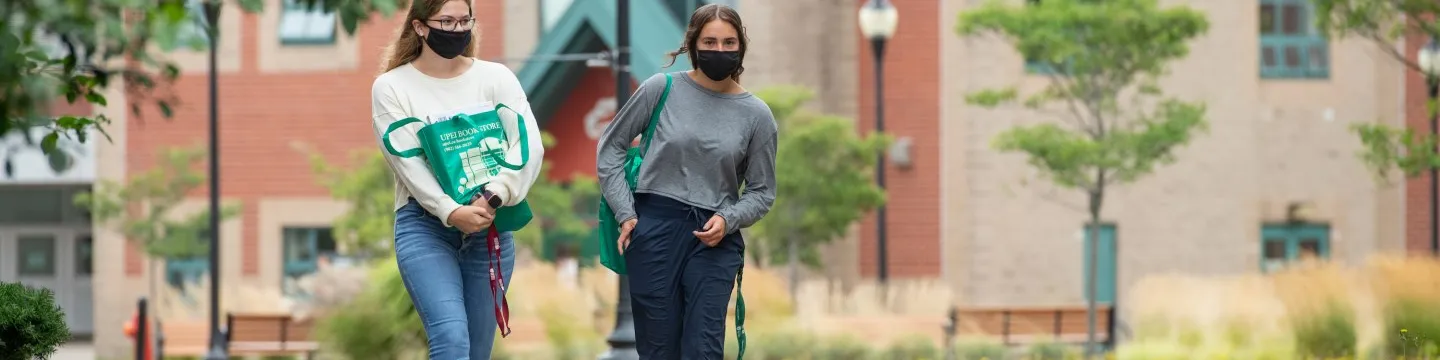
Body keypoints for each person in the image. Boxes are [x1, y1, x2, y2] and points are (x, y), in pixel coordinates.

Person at [596, 4, 777, 359]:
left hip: (715, 237)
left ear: (741, 47)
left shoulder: (757, 115)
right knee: (659, 349)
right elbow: (610, 149)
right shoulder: (659, 89)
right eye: (710, 41)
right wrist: (626, 213)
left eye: (729, 43)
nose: (719, 50)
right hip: (655, 229)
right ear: (693, 44)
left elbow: (762, 191)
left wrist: (729, 219)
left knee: (703, 349)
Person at [370, 0, 543, 358]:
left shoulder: (496, 78)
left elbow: (527, 144)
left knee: (477, 350)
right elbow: (407, 161)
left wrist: (493, 196)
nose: (456, 30)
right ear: (419, 26)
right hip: (425, 224)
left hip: (491, 223)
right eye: (445, 21)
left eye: (464, 21)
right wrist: (449, 211)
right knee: (450, 340)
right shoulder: (391, 87)